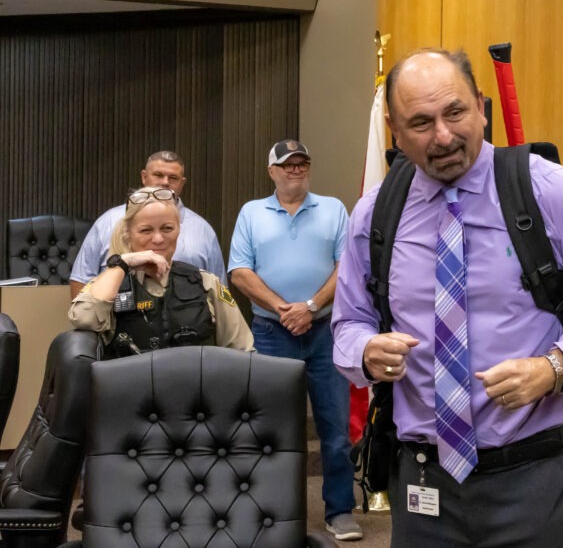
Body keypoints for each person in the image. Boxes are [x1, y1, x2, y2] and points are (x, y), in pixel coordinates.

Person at [331, 48, 563, 547]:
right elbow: (348, 324)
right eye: (421, 123)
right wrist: (366, 352)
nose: (443, 136)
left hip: (538, 476)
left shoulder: (547, 191)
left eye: (455, 112)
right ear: (393, 130)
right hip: (425, 483)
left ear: (480, 106)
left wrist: (554, 368)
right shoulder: (376, 214)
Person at [228, 140, 359, 542]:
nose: (296, 170)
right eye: (287, 165)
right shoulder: (251, 212)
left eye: (302, 163)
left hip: (324, 333)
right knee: (271, 431)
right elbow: (239, 271)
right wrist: (285, 309)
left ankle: (340, 511)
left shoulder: (333, 209)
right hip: (272, 334)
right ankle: (275, 514)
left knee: (335, 431)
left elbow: (348, 266)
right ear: (272, 172)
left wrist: (311, 306)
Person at [69, 186, 252, 353]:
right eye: (146, 230)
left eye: (167, 229)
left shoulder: (206, 283)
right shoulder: (109, 284)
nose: (158, 239)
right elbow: (83, 319)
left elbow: (243, 352)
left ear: (179, 231)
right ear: (128, 234)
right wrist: (123, 263)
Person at [70, 151, 226, 298]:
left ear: (182, 183)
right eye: (158, 175)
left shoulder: (202, 230)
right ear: (144, 177)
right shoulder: (108, 222)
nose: (165, 182)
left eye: (173, 178)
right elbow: (81, 281)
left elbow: (219, 289)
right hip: (120, 313)